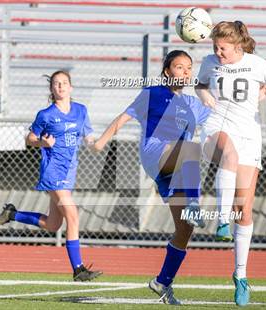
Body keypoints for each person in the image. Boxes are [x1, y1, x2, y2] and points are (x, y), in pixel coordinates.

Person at [195, 21, 266, 306]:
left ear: (238, 45)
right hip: (216, 127)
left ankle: (240, 276)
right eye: (215, 47)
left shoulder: (258, 64)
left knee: (244, 209)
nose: (218, 52)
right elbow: (200, 83)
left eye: (223, 48)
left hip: (249, 135)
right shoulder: (209, 62)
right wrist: (204, 94)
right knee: (227, 155)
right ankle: (221, 220)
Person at [93, 50, 210, 305]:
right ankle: (194, 203)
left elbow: (221, 117)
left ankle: (162, 282)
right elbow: (123, 117)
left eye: (189, 67)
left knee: (184, 230)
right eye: (179, 67)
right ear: (167, 71)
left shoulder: (194, 104)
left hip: (178, 170)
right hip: (155, 154)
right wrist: (102, 141)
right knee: (190, 149)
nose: (186, 71)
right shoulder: (152, 93)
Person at [0, 70, 102, 282]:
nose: (60, 86)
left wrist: (96, 143)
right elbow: (29, 138)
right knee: (73, 214)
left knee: (53, 225)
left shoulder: (81, 110)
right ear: (51, 89)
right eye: (56, 83)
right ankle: (78, 268)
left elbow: (89, 139)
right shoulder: (46, 114)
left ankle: (12, 214)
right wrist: (42, 142)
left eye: (64, 83)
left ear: (71, 87)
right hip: (53, 172)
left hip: (69, 172)